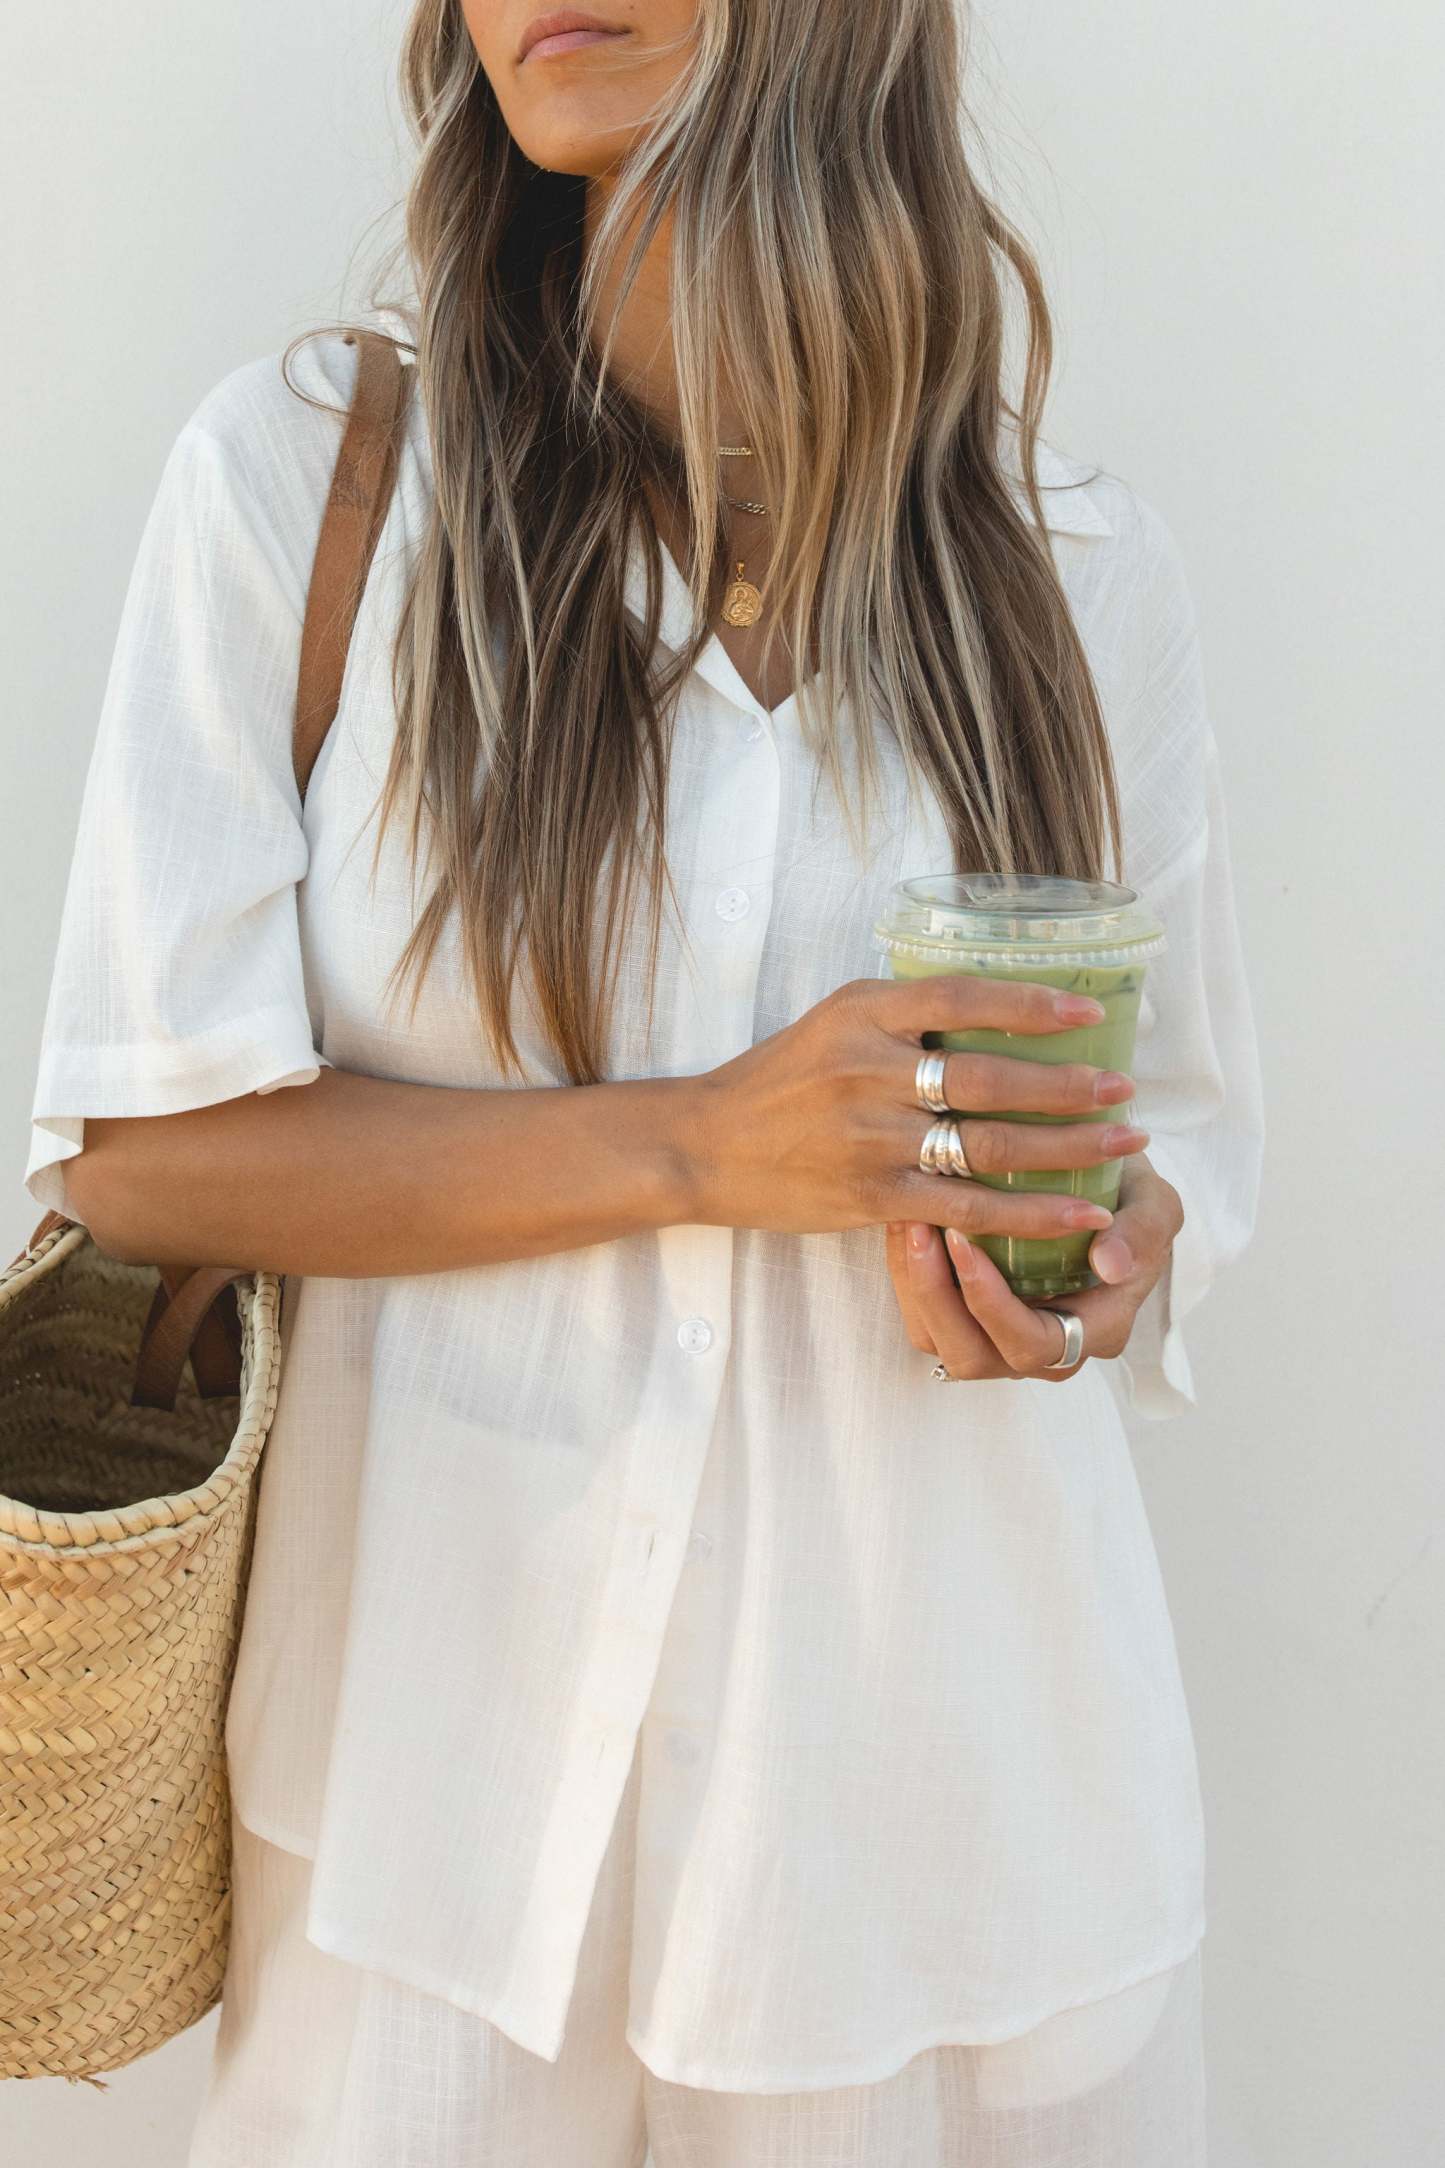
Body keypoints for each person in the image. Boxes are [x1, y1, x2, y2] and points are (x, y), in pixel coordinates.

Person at [22, 1, 1264, 2161]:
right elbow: (141, 1150)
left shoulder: (1073, 572)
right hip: (426, 1830)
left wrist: (1088, 1271)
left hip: (940, 1842)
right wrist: (704, 1145)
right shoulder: (318, 488)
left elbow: (1172, 1148)